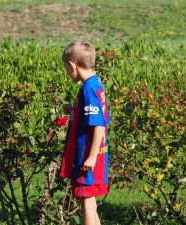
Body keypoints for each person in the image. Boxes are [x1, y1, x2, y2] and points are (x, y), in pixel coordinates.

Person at [57, 40, 111, 225]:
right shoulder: (96, 85)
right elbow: (92, 116)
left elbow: (98, 125)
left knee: (87, 204)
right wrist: (73, 110)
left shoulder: (87, 89)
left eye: (66, 68)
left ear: (73, 65)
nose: (66, 73)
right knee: (91, 203)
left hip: (88, 157)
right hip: (95, 155)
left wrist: (92, 157)